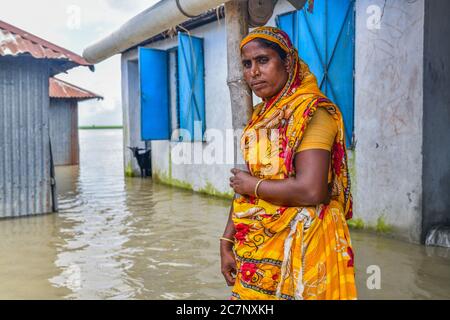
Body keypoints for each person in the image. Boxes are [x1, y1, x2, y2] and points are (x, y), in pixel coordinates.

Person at [220, 27, 357, 300]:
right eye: (247, 64)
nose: (253, 73)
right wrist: (227, 240)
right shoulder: (260, 114)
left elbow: (311, 190)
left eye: (263, 60)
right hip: (258, 243)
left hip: (304, 241)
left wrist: (253, 185)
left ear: (288, 62)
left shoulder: (312, 112)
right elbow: (246, 184)